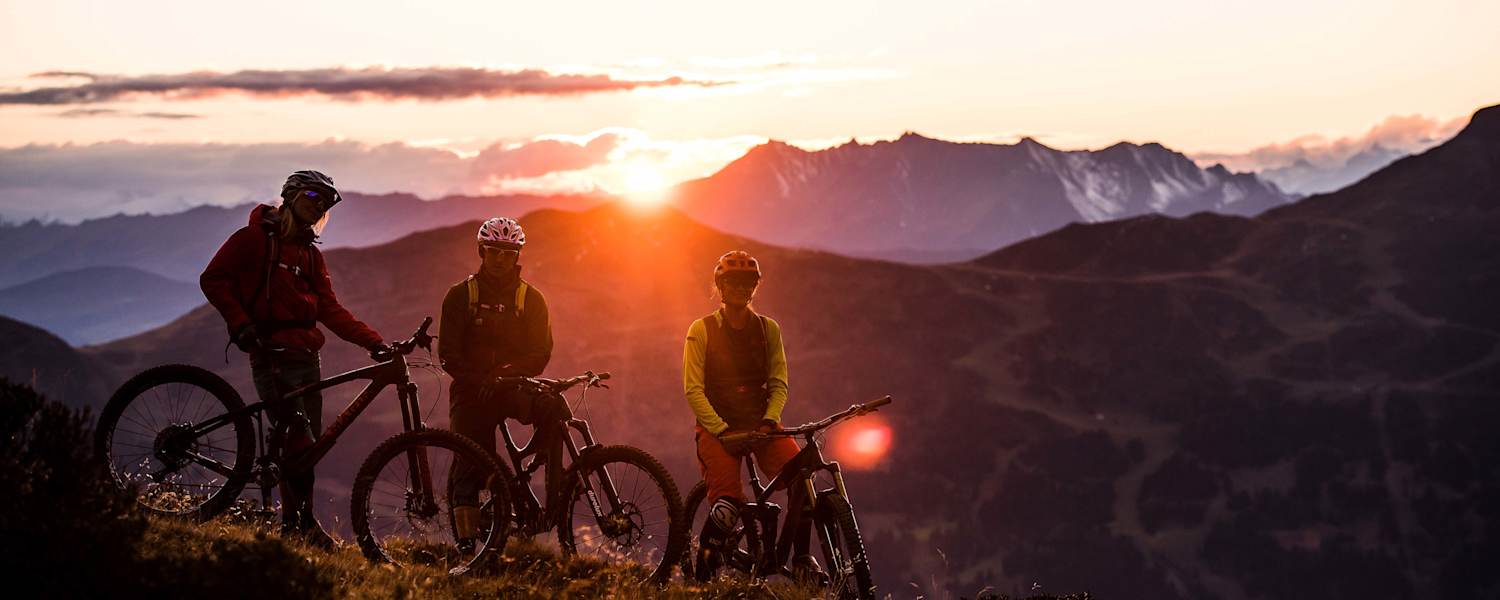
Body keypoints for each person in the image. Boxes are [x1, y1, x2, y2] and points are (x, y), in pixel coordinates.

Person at [200, 169, 386, 547]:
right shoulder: (254, 239)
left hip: (305, 357)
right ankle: (297, 526)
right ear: (291, 196)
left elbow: (330, 310)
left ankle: (297, 525)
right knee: (298, 440)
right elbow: (213, 278)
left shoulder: (310, 255)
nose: (318, 208)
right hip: (271, 355)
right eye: (312, 198)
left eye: (325, 204)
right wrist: (241, 324)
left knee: (307, 450)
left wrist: (375, 343)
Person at [684, 250, 823, 582]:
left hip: (762, 425)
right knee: (728, 506)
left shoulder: (767, 329)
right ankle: (702, 579)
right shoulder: (701, 330)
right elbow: (693, 389)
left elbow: (778, 384)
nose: (740, 287)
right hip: (718, 429)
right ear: (719, 285)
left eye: (748, 282)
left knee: (804, 478)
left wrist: (768, 421)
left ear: (755, 287)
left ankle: (802, 559)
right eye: (732, 281)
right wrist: (721, 430)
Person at [439, 217, 558, 551]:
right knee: (469, 459)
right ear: (482, 251)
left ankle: (542, 474)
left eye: (508, 253)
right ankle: (467, 548)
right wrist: (478, 380)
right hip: (470, 389)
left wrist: (505, 373)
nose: (501, 260)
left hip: (511, 385)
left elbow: (541, 352)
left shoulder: (531, 299)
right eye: (494, 252)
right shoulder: (461, 295)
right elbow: (448, 353)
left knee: (553, 407)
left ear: (517, 255)